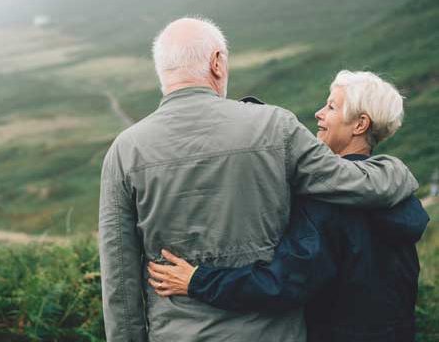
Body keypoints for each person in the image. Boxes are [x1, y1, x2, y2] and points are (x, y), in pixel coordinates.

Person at [98, 17, 419, 342]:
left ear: (162, 71)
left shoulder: (124, 151)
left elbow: (119, 281)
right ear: (217, 62)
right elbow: (353, 183)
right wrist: (396, 171)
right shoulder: (276, 127)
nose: (321, 114)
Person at [146, 71, 430, 341]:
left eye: (331, 107)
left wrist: (197, 281)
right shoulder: (397, 195)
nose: (319, 113)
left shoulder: (329, 203)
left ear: (360, 125)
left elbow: (282, 284)